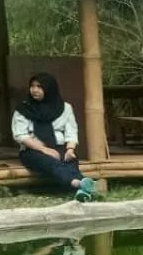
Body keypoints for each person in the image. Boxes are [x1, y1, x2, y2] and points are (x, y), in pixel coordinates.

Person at [12, 72, 97, 202]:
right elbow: (20, 135)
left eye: (39, 87)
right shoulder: (23, 108)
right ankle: (77, 183)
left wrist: (70, 150)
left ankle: (81, 189)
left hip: (61, 147)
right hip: (32, 150)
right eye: (32, 86)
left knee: (70, 161)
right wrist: (44, 150)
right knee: (52, 163)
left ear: (49, 89)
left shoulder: (65, 108)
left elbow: (71, 130)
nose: (34, 90)